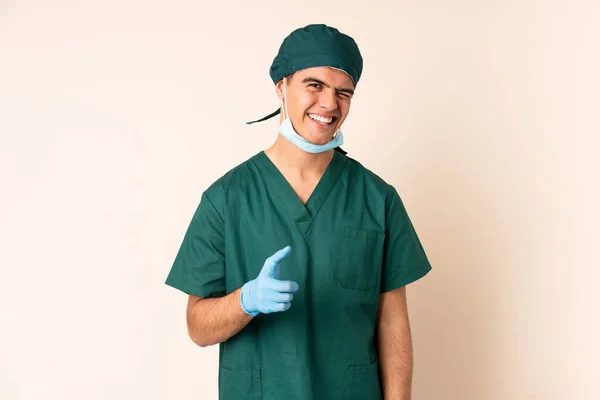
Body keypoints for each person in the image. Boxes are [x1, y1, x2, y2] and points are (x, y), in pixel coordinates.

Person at [165, 23, 432, 400]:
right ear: (281, 87)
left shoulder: (378, 199)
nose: (329, 104)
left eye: (343, 92)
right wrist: (245, 301)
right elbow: (198, 328)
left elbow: (392, 321)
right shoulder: (226, 199)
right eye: (315, 85)